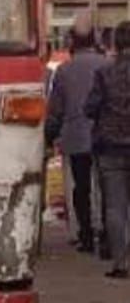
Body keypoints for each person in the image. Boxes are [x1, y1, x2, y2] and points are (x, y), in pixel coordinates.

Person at [46, 13, 108, 252]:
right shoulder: (106, 65)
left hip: (75, 137)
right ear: (95, 39)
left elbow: (56, 109)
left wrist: (50, 135)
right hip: (104, 136)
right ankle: (106, 233)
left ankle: (85, 235)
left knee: (81, 188)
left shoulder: (63, 71)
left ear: (72, 41)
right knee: (105, 187)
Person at [85, 20, 130, 278]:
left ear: (116, 44)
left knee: (115, 207)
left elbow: (91, 107)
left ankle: (120, 264)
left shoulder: (105, 73)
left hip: (110, 146)